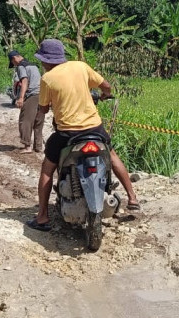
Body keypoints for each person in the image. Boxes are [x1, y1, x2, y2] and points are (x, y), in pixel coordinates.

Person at [27, 39, 140, 231]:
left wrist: (46, 106)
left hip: (67, 134)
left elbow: (44, 109)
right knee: (111, 156)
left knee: (47, 168)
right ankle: (132, 197)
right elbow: (106, 86)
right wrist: (103, 96)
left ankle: (42, 216)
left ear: (46, 60)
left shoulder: (48, 79)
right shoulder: (80, 66)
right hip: (94, 129)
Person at [8, 50, 45, 153]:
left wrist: (21, 98)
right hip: (41, 95)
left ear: (14, 59)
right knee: (38, 121)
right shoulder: (33, 65)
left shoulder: (21, 66)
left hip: (32, 95)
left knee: (25, 120)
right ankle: (38, 147)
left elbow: (24, 81)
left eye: (13, 63)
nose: (14, 65)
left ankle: (27, 146)